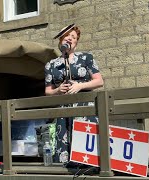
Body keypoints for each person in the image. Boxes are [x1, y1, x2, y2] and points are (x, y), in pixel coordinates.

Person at [44, 24, 104, 164]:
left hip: (85, 108)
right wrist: (57, 91)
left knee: (86, 152)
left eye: (73, 37)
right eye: (67, 36)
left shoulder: (86, 58)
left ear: (76, 42)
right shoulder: (51, 65)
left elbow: (99, 81)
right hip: (63, 111)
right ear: (60, 40)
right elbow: (48, 91)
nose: (70, 39)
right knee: (63, 152)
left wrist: (80, 86)